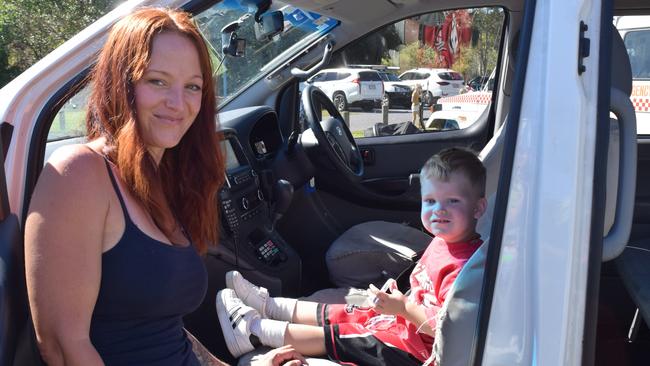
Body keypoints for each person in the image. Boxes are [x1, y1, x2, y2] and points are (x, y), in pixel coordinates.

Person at [24, 7, 305, 366]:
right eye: (157, 81)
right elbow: (62, 348)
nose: (177, 104)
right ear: (120, 82)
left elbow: (163, 328)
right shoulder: (79, 174)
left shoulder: (163, 181)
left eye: (192, 87)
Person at [216, 147, 488, 365]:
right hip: (402, 320)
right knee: (349, 309)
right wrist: (397, 303)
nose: (439, 210)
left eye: (452, 201)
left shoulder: (467, 269)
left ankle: (254, 332)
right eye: (430, 201)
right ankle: (271, 306)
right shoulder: (443, 241)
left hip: (411, 351)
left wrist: (403, 308)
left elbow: (447, 330)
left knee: (344, 335)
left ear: (478, 208)